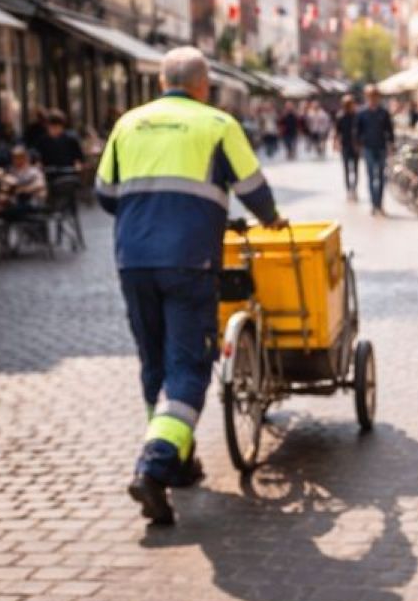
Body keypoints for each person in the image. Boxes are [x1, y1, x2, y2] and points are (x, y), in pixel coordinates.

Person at [95, 46, 285, 526]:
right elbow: (254, 191)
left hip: (133, 261)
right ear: (203, 85)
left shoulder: (127, 124)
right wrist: (271, 220)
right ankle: (155, 465)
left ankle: (178, 462)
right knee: (190, 365)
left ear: (162, 83)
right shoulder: (217, 124)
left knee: (154, 361)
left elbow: (105, 195)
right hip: (190, 262)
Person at [355, 85, 394, 215]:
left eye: (375, 96)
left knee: (382, 177)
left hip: (381, 147)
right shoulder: (362, 112)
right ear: (367, 97)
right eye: (370, 96)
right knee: (371, 177)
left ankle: (380, 204)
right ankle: (373, 204)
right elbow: (357, 130)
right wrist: (359, 145)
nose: (373, 99)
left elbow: (389, 130)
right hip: (368, 148)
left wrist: (391, 144)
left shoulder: (383, 112)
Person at [0, 145, 47, 213]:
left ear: (26, 158)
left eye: (20, 157)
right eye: (15, 157)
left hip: (31, 200)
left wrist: (22, 189)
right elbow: (5, 185)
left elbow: (40, 184)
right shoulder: (10, 170)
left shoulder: (34, 171)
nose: (17, 160)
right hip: (14, 201)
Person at [336, 94, 359, 201]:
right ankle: (348, 190)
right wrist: (336, 143)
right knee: (346, 169)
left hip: (355, 146)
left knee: (355, 169)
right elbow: (337, 131)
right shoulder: (340, 116)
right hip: (345, 146)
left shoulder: (357, 116)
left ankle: (354, 189)